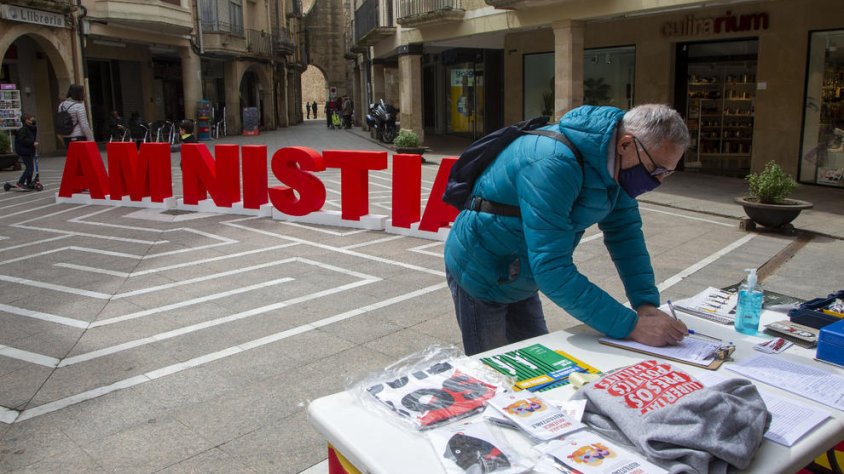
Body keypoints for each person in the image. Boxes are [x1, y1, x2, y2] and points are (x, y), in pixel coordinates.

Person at [444, 104, 691, 356]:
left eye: (668, 173)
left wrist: (645, 303)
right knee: (493, 370)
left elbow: (626, 235)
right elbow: (552, 269)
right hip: (480, 270)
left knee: (535, 361)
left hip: (521, 271)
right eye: (657, 170)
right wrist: (631, 326)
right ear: (625, 144)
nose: (658, 181)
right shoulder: (554, 162)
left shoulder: (618, 165)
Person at [13, 113, 37, 189]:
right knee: (29, 168)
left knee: (30, 168)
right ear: (27, 120)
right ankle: (20, 182)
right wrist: (32, 142)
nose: (33, 119)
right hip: (24, 151)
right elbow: (22, 140)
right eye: (31, 118)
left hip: (29, 150)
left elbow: (34, 127)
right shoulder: (23, 129)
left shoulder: (30, 128)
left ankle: (29, 183)